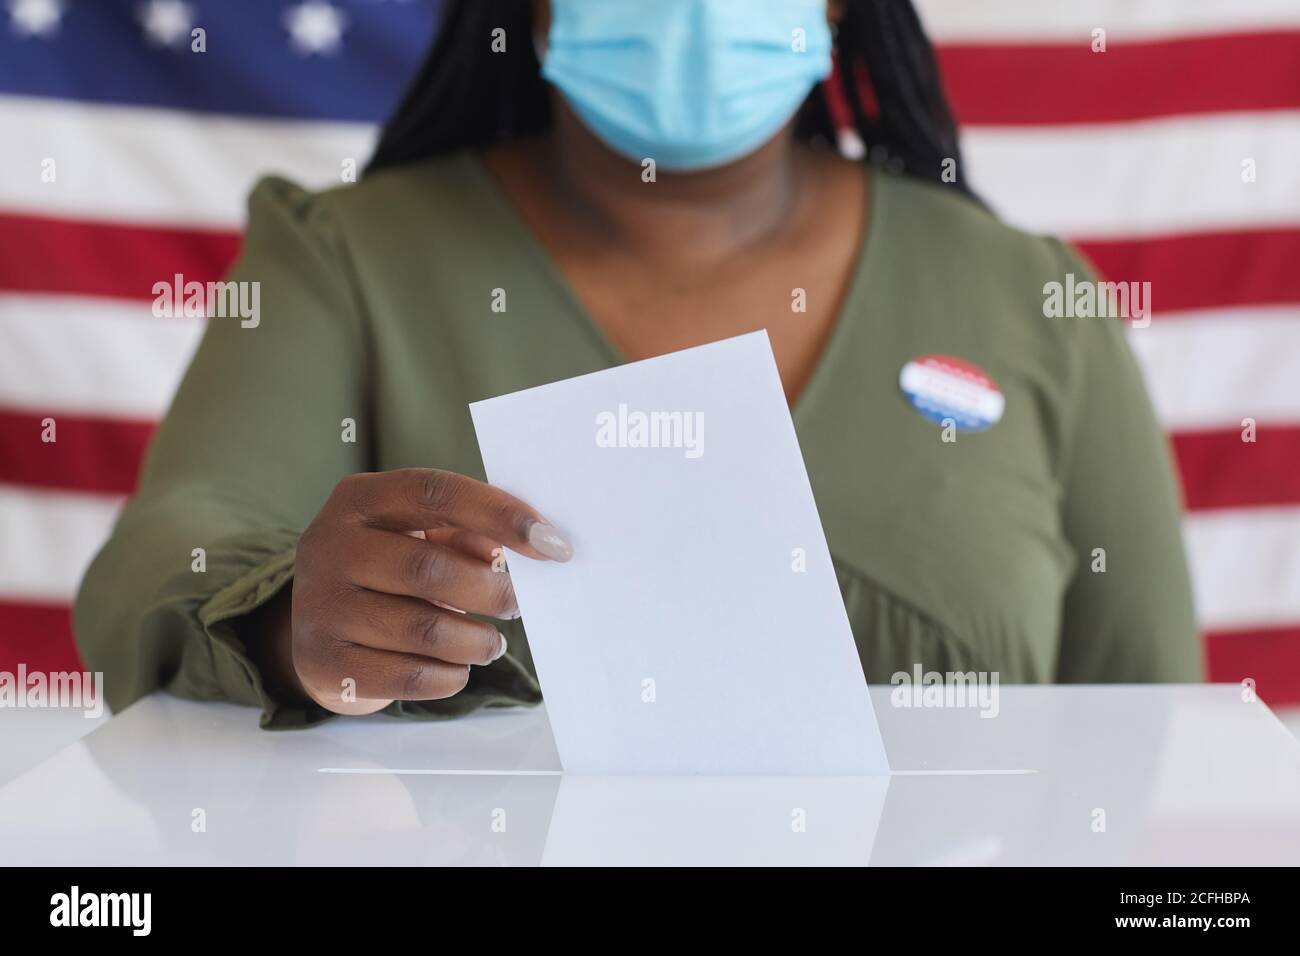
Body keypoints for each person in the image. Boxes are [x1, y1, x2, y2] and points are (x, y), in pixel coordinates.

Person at [75, 0, 1201, 728]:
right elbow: (165, 553)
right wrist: (280, 622)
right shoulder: (346, 259)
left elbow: (1164, 746)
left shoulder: (1032, 297)